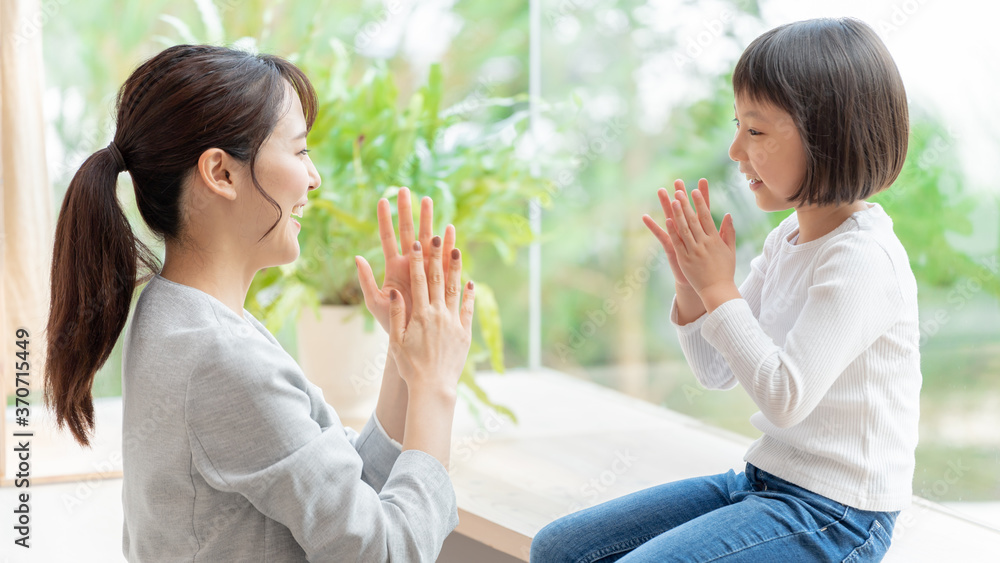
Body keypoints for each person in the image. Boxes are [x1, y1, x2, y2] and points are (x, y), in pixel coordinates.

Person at [44, 44, 476, 561]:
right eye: (298, 151)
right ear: (221, 173)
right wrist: (436, 385)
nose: (313, 177)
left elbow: (347, 499)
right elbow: (388, 552)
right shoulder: (219, 358)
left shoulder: (179, 316)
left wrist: (405, 360)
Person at [530, 17, 920, 562]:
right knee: (559, 549)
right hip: (765, 483)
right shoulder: (790, 236)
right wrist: (695, 290)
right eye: (739, 125)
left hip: (839, 517)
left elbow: (784, 397)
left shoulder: (862, 259)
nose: (736, 149)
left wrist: (719, 288)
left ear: (828, 134)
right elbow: (715, 371)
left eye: (756, 131)